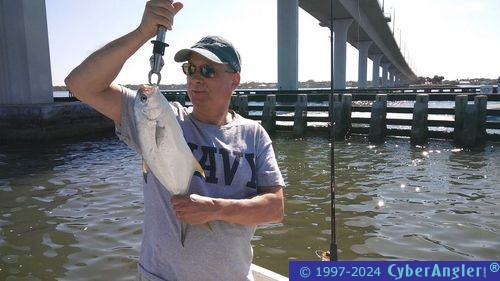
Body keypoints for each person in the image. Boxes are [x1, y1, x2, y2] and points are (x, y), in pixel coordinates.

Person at [64, 1, 285, 280]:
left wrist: (214, 209)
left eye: (208, 70)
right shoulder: (160, 118)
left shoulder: (254, 135)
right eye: (190, 69)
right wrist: (143, 32)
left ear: (235, 80)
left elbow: (274, 208)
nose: (196, 78)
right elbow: (81, 84)